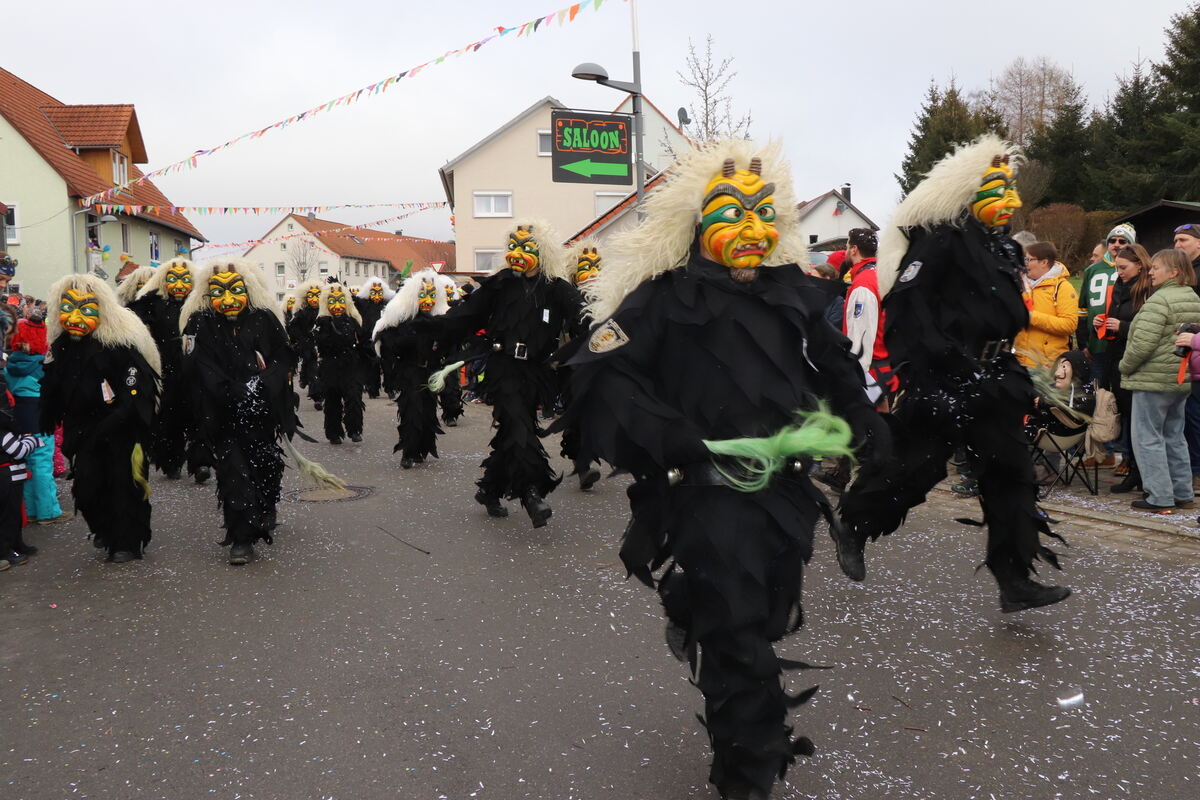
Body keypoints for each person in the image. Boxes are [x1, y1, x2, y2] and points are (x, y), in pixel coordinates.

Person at [557, 141, 884, 800]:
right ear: (698, 219)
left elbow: (837, 367)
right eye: (733, 211)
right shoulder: (660, 299)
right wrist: (672, 437)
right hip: (709, 498)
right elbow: (597, 371)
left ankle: (700, 620)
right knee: (737, 636)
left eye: (766, 213)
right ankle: (748, 770)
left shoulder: (794, 292)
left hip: (785, 496)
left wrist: (873, 433)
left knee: (761, 619)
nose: (753, 229)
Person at [837, 133, 1072, 613]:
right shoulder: (941, 239)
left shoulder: (1006, 249)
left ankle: (1014, 579)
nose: (1013, 200)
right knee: (916, 470)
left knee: (1011, 477)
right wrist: (932, 369)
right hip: (942, 377)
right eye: (999, 190)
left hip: (996, 377)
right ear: (971, 195)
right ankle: (855, 523)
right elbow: (905, 308)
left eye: (1011, 190)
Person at [425, 220, 584, 527]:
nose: (517, 254)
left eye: (526, 248)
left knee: (512, 430)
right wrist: (433, 334)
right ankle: (531, 493)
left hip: (536, 372)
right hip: (503, 368)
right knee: (520, 428)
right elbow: (466, 316)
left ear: (542, 252)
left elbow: (583, 314)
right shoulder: (501, 284)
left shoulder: (556, 289)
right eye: (513, 247)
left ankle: (490, 489)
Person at [181, 259, 300, 565]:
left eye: (235, 291)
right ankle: (242, 537)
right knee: (234, 472)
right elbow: (200, 366)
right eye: (219, 292)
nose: (228, 300)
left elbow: (284, 357)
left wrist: (262, 385)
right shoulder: (200, 324)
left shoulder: (263, 319)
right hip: (222, 415)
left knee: (266, 466)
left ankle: (266, 506)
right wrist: (233, 391)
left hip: (262, 413)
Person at [40, 274, 160, 563]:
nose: (76, 317)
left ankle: (127, 542)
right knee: (87, 485)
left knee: (124, 483)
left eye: (86, 309)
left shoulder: (118, 346)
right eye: (68, 308)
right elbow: (54, 387)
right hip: (83, 429)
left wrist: (120, 415)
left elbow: (138, 387)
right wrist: (47, 415)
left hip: (121, 426)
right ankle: (105, 528)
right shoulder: (62, 348)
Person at [1118, 249, 1200, 511]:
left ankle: (1159, 497)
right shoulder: (1193, 298)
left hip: (1152, 381)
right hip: (1180, 378)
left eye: (1156, 267)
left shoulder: (1159, 301)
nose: (1150, 272)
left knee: (1148, 438)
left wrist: (1124, 366)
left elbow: (1142, 345)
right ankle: (1182, 492)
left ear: (1174, 272)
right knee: (1174, 437)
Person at [128, 258, 212, 483]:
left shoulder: (199, 305)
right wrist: (150, 292)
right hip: (167, 369)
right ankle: (171, 461)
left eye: (185, 280)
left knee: (199, 415)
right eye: (172, 280)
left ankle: (201, 462)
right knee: (170, 418)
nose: (179, 285)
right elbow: (133, 313)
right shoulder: (156, 303)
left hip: (196, 369)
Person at [374, 270, 447, 468]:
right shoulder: (404, 321)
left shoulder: (438, 321)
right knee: (411, 410)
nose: (428, 300)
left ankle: (423, 449)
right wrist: (409, 337)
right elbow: (389, 343)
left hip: (430, 372)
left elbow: (448, 344)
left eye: (432, 295)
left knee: (428, 412)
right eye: (423, 295)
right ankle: (409, 451)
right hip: (410, 372)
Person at [1078, 224, 1137, 468]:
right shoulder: (1093, 270)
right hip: (1097, 344)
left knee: (1124, 402)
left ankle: (1128, 456)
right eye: (1112, 240)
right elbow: (1082, 309)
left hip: (1123, 346)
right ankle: (1103, 451)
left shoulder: (1136, 272)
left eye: (1122, 242)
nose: (1116, 245)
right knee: (1099, 399)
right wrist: (1083, 341)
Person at [5, 300, 69, 526]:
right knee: (43, 465)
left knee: (27, 465)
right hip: (41, 419)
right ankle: (47, 511)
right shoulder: (44, 364)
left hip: (19, 422)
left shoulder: (10, 364)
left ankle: (31, 509)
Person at [1101, 245, 1154, 493]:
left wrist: (1121, 326)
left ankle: (1143, 473)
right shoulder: (1120, 287)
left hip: (1137, 362)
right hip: (1117, 358)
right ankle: (1132, 468)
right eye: (1117, 267)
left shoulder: (1148, 290)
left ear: (1140, 265)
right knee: (1126, 416)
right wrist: (1100, 324)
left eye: (1123, 267)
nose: (1119, 272)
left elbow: (1148, 328)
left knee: (1138, 420)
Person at [314, 282, 369, 444]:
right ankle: (333, 432)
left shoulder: (353, 320)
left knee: (354, 398)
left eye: (340, 301)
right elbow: (320, 345)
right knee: (332, 401)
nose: (337, 305)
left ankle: (354, 430)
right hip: (330, 366)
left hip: (350, 365)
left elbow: (363, 341)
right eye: (332, 301)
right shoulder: (322, 323)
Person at [1014, 242, 1078, 369]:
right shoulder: (1020, 285)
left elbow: (1069, 325)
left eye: (1029, 259)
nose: (1025, 263)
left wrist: (1031, 317)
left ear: (1044, 262)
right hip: (1019, 362)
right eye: (1024, 259)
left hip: (1047, 366)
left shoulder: (1062, 287)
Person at [1171, 223, 1200, 488]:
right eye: (1176, 241)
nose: (1178, 245)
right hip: (1185, 356)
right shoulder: (1181, 273)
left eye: (1184, 240)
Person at [432, 273, 465, 427]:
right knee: (430, 384)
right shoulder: (431, 309)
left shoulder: (458, 310)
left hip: (451, 352)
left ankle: (450, 413)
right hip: (432, 352)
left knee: (451, 384)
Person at [353, 276, 393, 399]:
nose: (376, 296)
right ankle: (372, 389)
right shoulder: (364, 304)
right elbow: (354, 299)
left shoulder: (387, 304)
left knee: (387, 365)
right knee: (372, 366)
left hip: (384, 339)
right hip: (368, 339)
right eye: (373, 292)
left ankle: (390, 388)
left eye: (379, 293)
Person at [286, 280, 324, 410]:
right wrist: (303, 340)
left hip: (324, 346)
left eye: (317, 295)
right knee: (313, 370)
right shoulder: (302, 313)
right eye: (311, 296)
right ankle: (317, 397)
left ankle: (308, 381)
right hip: (308, 347)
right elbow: (292, 328)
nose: (314, 299)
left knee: (323, 371)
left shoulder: (325, 311)